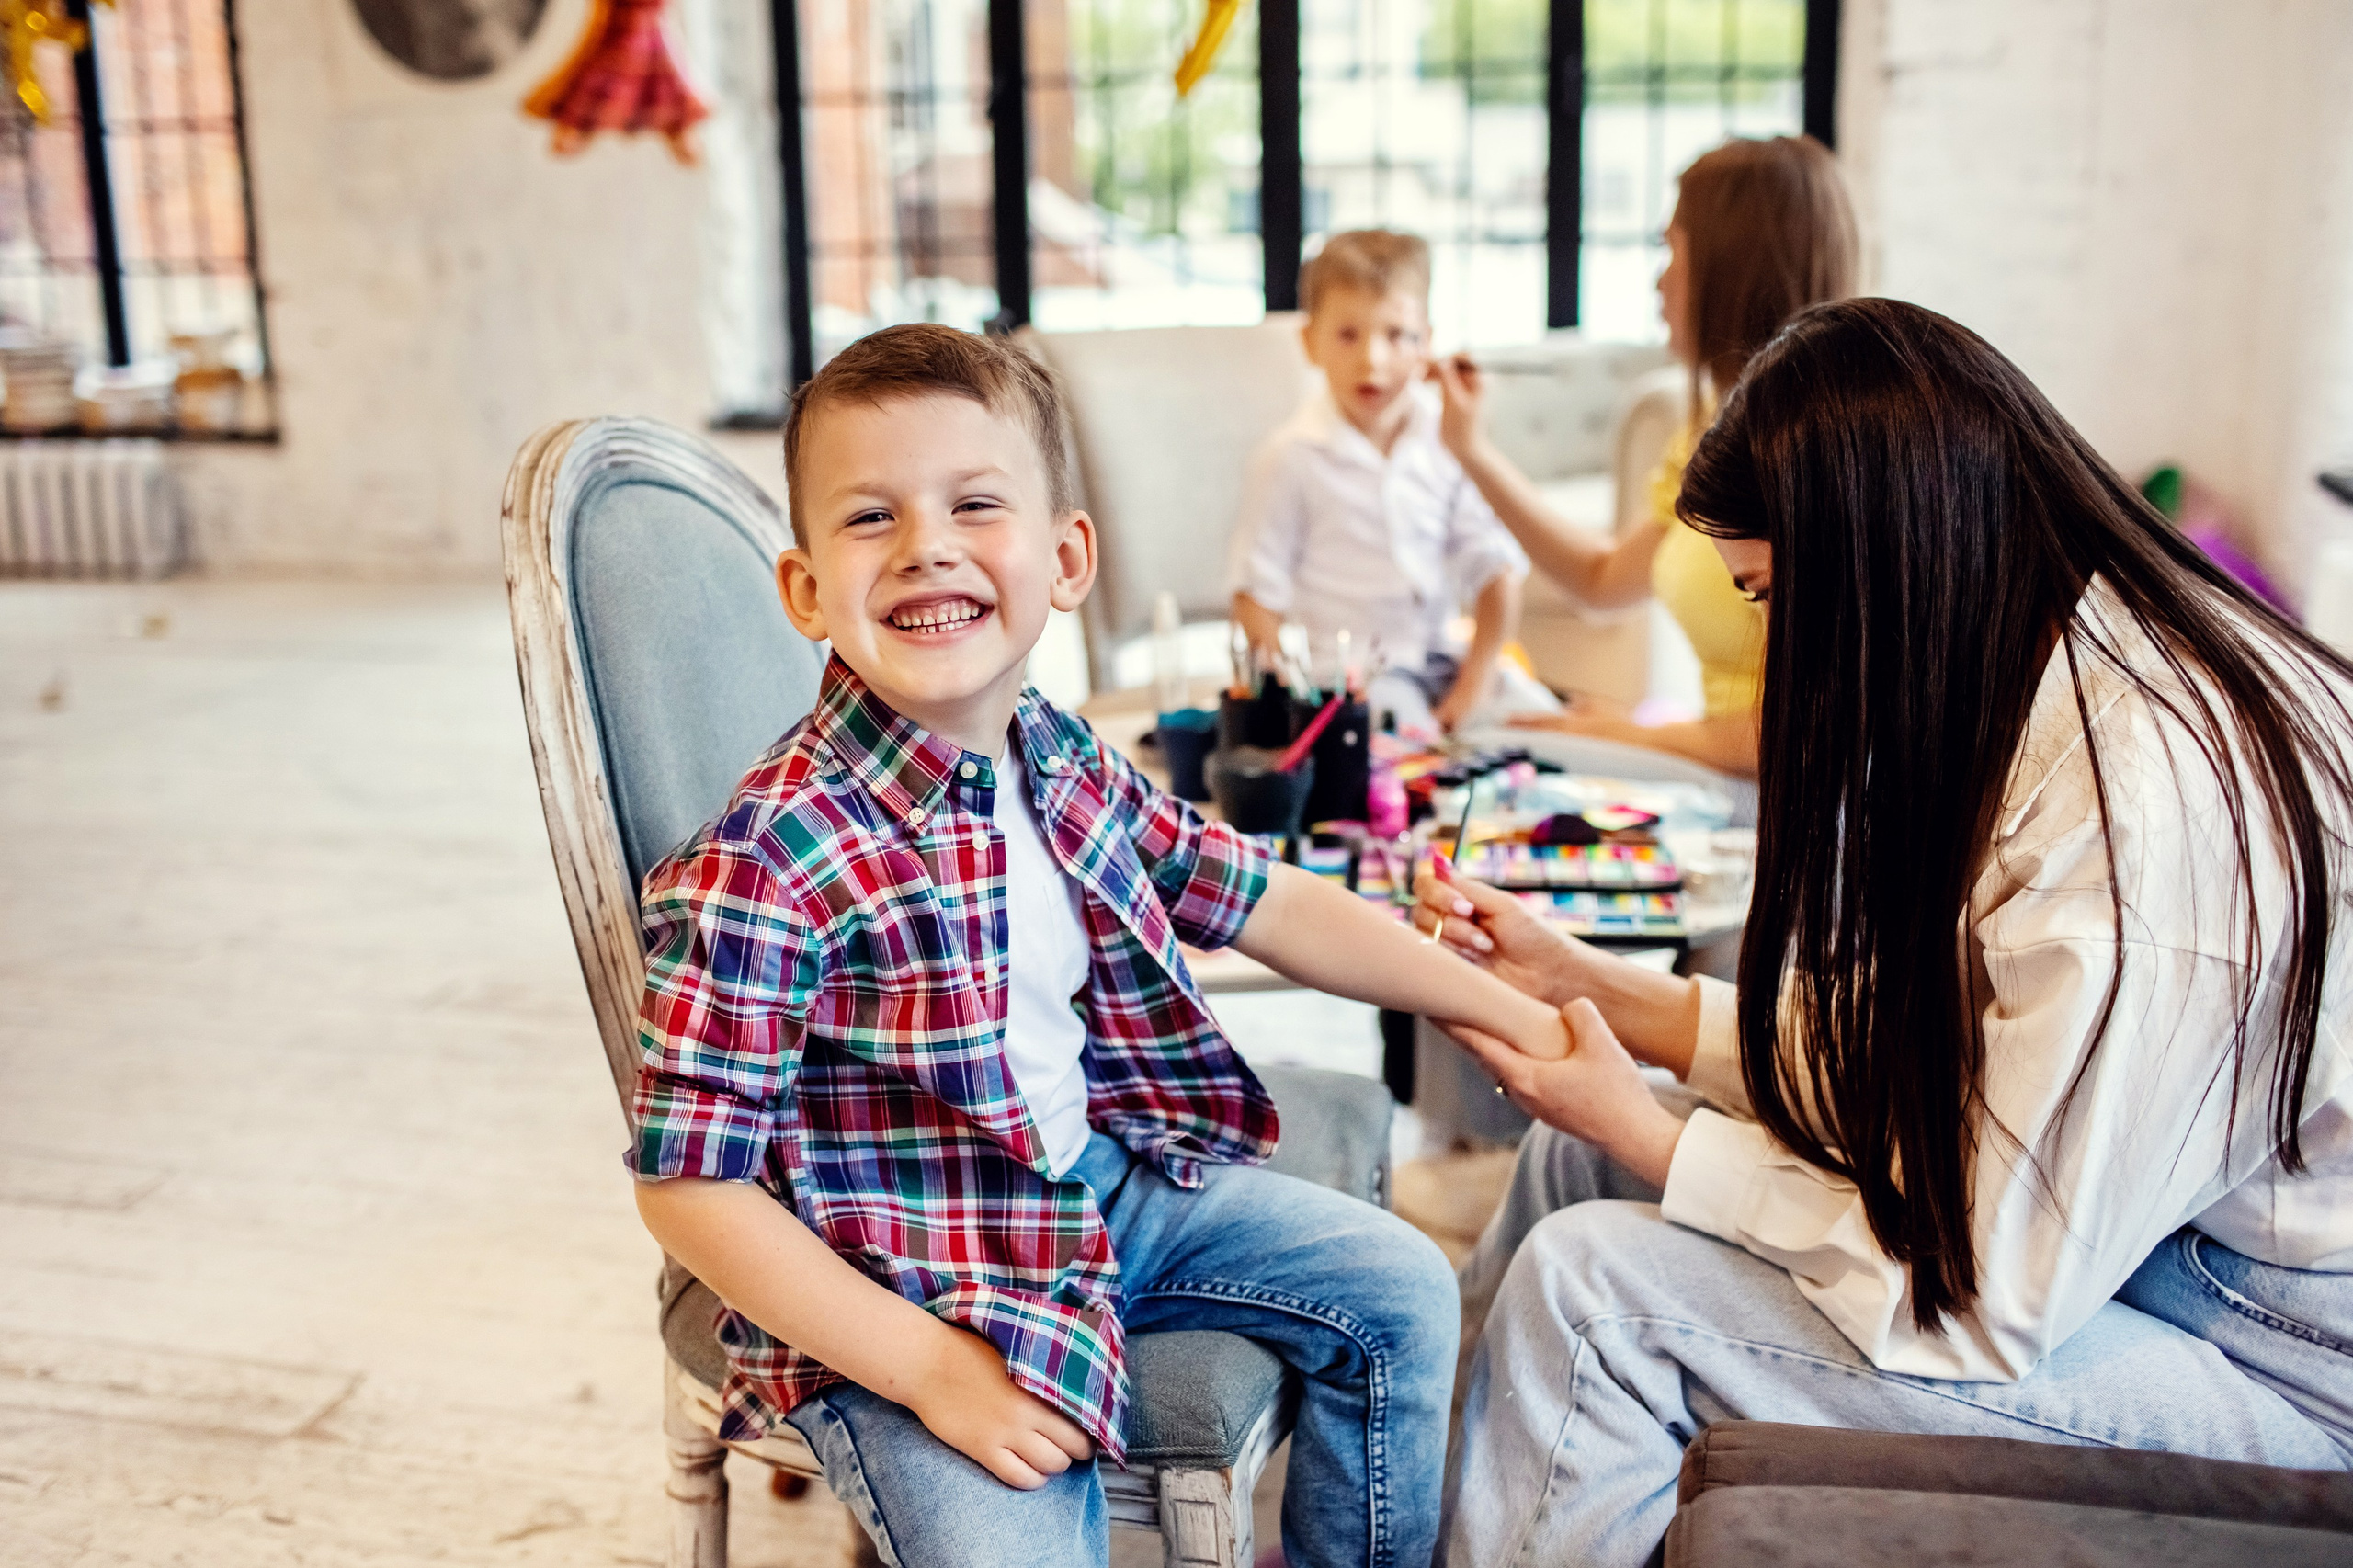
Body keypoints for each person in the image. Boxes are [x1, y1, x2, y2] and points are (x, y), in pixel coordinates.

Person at [1414, 299, 2353, 1566]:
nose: (1765, 641)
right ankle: (1410, 1524)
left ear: (1875, 564)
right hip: (2125, 1244)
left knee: (1592, 1290)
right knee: (1578, 1161)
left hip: (2278, 1365)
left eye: (1763, 596)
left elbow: (1984, 1296)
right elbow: (1953, 1070)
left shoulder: (2140, 827)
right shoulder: (2046, 666)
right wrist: (1608, 993)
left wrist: (1648, 1125)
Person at [626, 324, 1580, 1568]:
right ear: (806, 588)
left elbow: (1265, 897)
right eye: (872, 519)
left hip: (1098, 1198)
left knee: (1398, 1290)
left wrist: (1498, 1006)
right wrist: (929, 1369)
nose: (928, 546)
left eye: (977, 502)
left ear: (1067, 556)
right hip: (906, 1285)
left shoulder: (1055, 751)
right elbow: (688, 1181)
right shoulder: (772, 856)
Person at [1431, 134, 1857, 787]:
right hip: (1718, 764)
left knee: (1487, 753)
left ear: (1729, 264)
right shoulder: (1708, 427)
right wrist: (1471, 451)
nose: (1659, 279)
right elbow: (1602, 583)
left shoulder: (1822, 454)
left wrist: (1634, 732)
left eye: (1672, 250)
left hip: (1781, 791)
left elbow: (1816, 726)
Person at [1227, 228, 1552, 734]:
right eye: (1348, 334)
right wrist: (1291, 696)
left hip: (1443, 661)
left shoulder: (1448, 440)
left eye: (1399, 335)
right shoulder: (1291, 456)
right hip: (1351, 678)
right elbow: (1255, 597)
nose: (1373, 359)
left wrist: (1475, 684)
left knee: (1537, 717)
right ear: (1310, 343)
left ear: (1429, 344)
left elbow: (1497, 574)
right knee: (1399, 732)